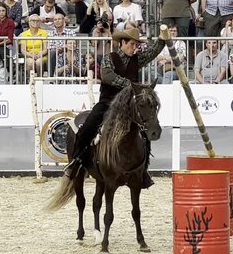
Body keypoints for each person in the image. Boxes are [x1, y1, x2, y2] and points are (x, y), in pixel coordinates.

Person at [63, 27, 168, 189]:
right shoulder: (108, 58)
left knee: (145, 133)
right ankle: (76, 162)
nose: (135, 48)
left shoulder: (137, 59)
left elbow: (153, 52)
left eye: (136, 45)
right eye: (132, 44)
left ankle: (142, 171)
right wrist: (131, 86)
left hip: (128, 107)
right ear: (122, 43)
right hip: (107, 104)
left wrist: (162, 39)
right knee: (88, 127)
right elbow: (107, 76)